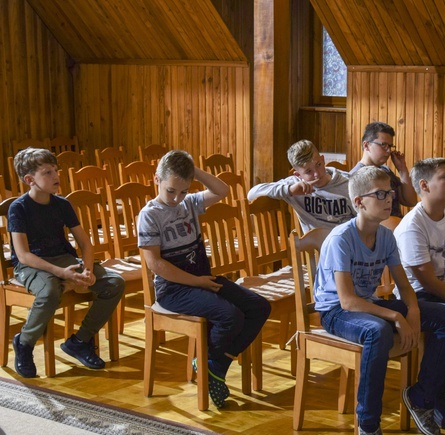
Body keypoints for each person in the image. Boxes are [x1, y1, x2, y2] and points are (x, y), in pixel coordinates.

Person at [314, 166, 445, 435]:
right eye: (380, 194)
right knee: (376, 331)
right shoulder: (341, 239)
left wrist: (414, 309)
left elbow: (404, 286)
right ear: (359, 202)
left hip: (367, 306)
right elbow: (346, 302)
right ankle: (368, 425)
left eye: (390, 193)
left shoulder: (386, 237)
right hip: (336, 312)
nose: (389, 199)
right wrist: (396, 316)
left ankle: (421, 397)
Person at [138, 150, 271, 408]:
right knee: (230, 315)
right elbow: (156, 264)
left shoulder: (188, 203)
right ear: (157, 179)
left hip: (202, 280)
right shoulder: (150, 214)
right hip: (173, 290)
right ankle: (212, 364)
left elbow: (222, 190)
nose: (177, 198)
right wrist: (198, 282)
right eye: (171, 191)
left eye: (183, 191)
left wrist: (192, 168)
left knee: (259, 307)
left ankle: (215, 364)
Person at [9, 148, 126, 378]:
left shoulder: (62, 204)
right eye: (48, 172)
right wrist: (62, 273)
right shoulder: (19, 208)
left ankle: (80, 341)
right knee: (50, 290)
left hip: (63, 259)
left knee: (114, 282)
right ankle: (25, 343)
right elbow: (23, 255)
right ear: (30, 180)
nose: (56, 176)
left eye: (56, 170)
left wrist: (88, 270)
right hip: (31, 264)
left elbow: (85, 243)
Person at [393, 157, 445, 432]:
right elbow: (427, 281)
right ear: (424, 186)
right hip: (417, 295)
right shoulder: (412, 225)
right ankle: (429, 396)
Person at [247, 139, 355, 233]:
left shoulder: (348, 183)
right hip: (315, 251)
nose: (317, 174)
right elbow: (252, 194)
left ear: (323, 160)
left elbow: (364, 221)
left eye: (318, 165)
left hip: (348, 248)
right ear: (298, 175)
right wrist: (289, 190)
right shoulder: (295, 185)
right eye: (308, 171)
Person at [350, 121, 418, 217]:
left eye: (390, 146)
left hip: (396, 227)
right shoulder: (356, 175)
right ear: (366, 145)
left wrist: (402, 169)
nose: (389, 150)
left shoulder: (386, 170)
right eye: (383, 145)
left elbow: (410, 201)